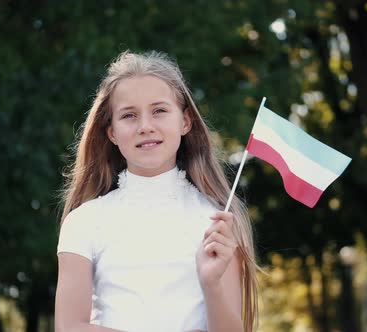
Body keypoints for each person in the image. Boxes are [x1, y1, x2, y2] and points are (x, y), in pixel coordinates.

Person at [54, 50, 259, 332]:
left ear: (185, 121)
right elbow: (69, 327)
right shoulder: (84, 221)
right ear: (111, 132)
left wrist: (211, 284)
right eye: (129, 115)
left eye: (159, 111)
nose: (146, 126)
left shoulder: (216, 220)